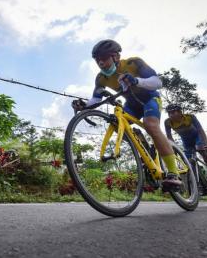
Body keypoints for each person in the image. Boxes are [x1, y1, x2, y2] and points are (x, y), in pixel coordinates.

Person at [72, 39, 182, 190]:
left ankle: (173, 174)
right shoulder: (101, 78)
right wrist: (83, 105)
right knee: (117, 125)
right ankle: (144, 150)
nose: (101, 63)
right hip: (132, 105)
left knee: (151, 125)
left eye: (104, 58)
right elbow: (96, 99)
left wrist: (136, 80)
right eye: (98, 60)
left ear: (116, 56)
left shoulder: (133, 63)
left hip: (150, 99)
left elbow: (157, 82)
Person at [164, 104, 207, 182]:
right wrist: (174, 148)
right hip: (186, 141)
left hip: (197, 137)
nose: (171, 115)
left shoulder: (190, 117)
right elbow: (169, 137)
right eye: (169, 113)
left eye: (173, 112)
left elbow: (200, 130)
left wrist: (205, 144)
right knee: (189, 163)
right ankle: (198, 184)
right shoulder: (167, 122)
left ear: (180, 112)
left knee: (202, 150)